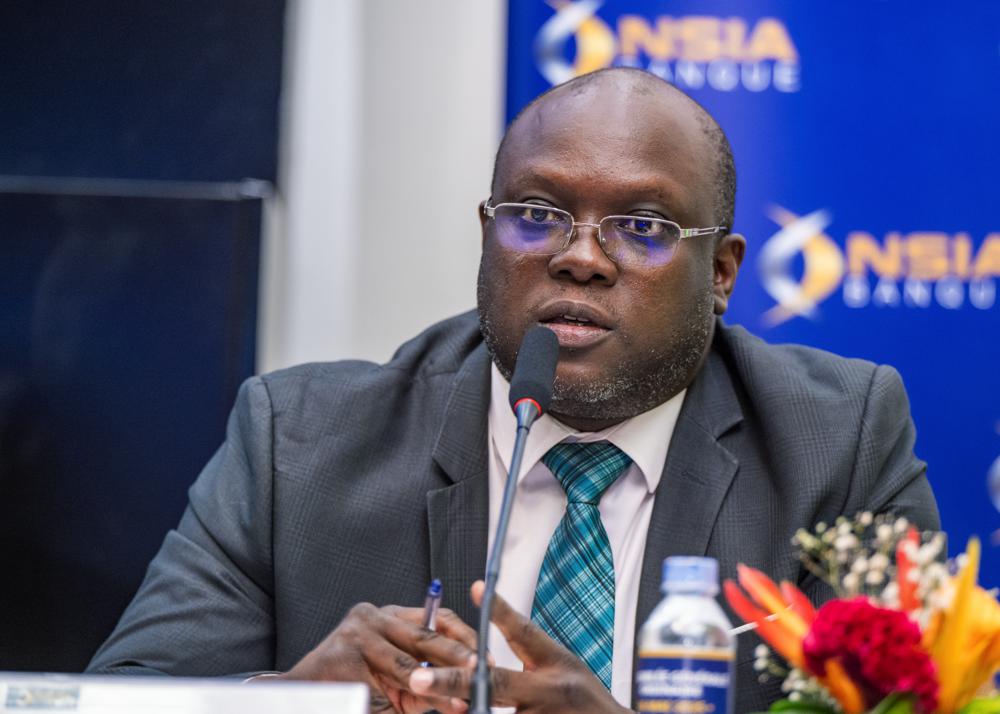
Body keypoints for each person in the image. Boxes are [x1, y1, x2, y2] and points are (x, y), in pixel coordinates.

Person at [87, 68, 939, 713]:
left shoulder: (838, 445)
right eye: (536, 214)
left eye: (641, 227)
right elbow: (116, 697)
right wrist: (297, 703)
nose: (580, 257)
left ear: (720, 273)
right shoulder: (297, 445)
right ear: (488, 236)